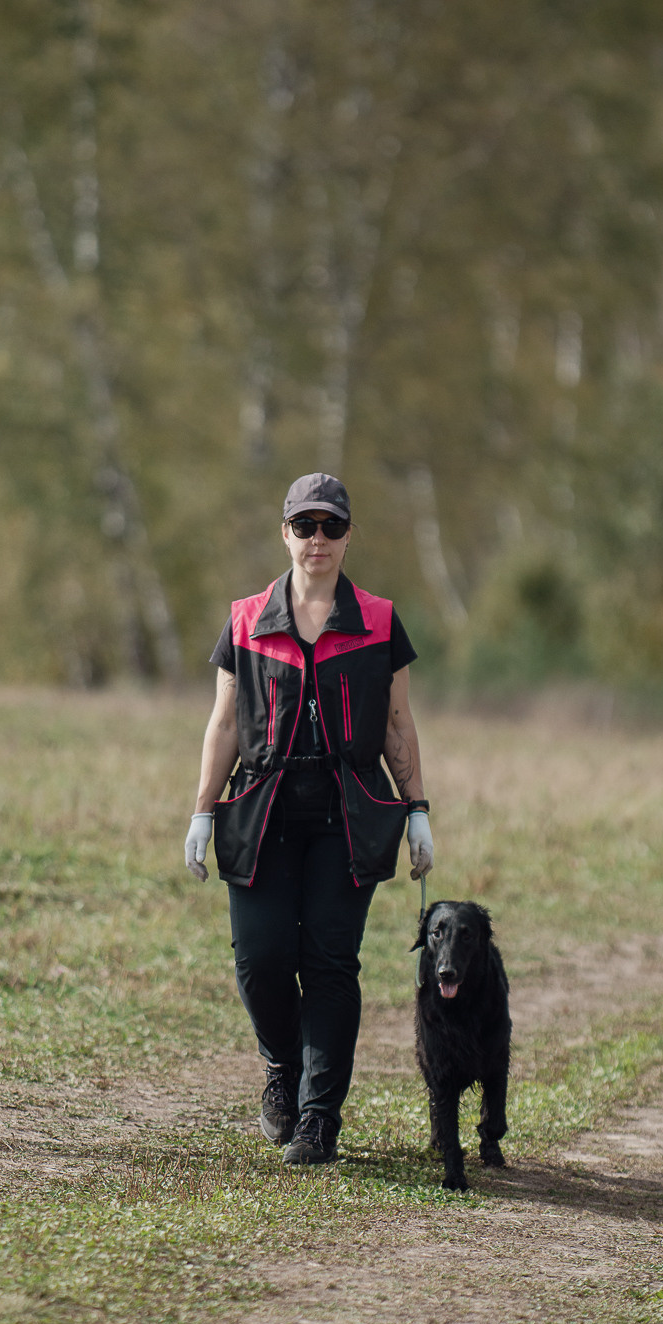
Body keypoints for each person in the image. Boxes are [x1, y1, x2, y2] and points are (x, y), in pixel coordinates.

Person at [183, 472, 433, 1167]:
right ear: (284, 532)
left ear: (348, 534)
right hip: (259, 805)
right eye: (304, 526)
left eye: (329, 526)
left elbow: (395, 721)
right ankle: (280, 1068)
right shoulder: (244, 619)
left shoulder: (379, 619)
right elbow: (225, 721)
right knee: (259, 959)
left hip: (347, 809)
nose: (316, 540)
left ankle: (318, 1118)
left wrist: (416, 810)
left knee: (329, 963)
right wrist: (201, 812)